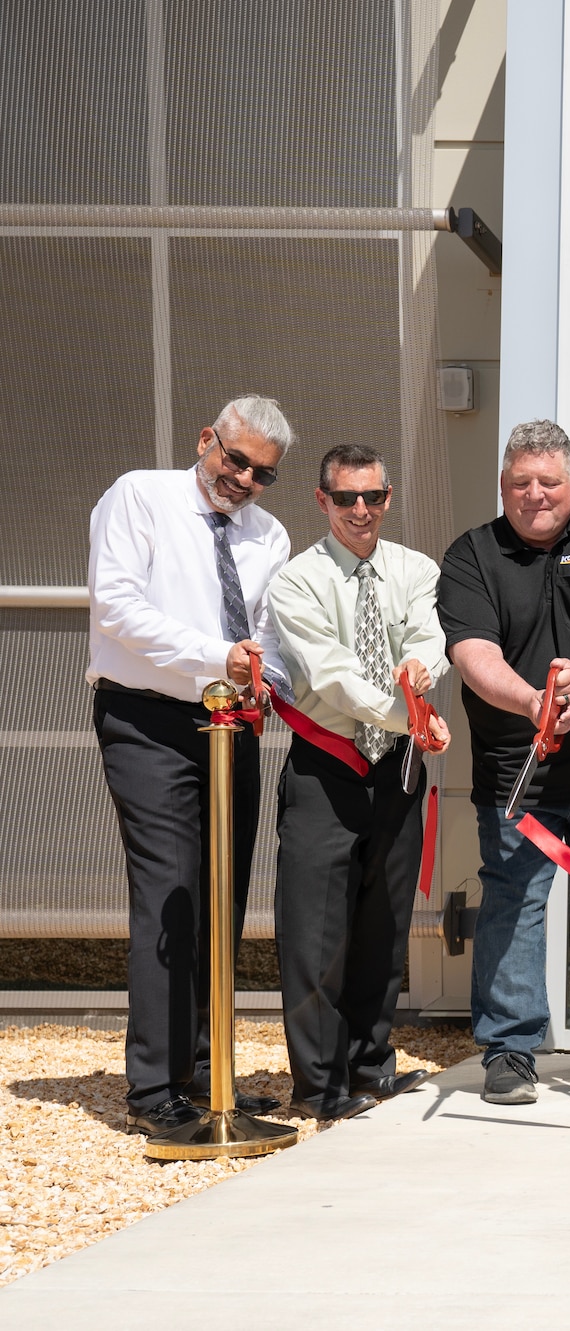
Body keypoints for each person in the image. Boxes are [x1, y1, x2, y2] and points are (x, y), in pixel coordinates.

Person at [88, 395, 295, 1135]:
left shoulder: (270, 535)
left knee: (222, 895)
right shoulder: (140, 495)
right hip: (147, 717)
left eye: (261, 473)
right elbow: (115, 608)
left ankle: (209, 1068)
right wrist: (220, 657)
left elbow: (266, 634)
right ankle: (154, 1088)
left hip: (230, 724)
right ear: (207, 438)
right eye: (233, 458)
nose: (241, 479)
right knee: (172, 892)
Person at [437, 420, 570, 1106]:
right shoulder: (472, 554)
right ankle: (510, 1047)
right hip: (518, 768)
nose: (534, 495)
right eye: (519, 483)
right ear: (503, 486)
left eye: (548, 482)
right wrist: (534, 699)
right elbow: (473, 656)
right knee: (514, 903)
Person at [270, 444, 452, 1121]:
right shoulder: (297, 581)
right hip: (327, 766)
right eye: (345, 497)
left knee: (384, 927)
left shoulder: (415, 568)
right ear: (322, 500)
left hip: (398, 768)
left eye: (372, 496)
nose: (360, 510)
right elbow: (331, 675)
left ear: (388, 495)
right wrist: (411, 711)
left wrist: (418, 673)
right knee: (316, 937)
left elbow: (428, 639)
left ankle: (371, 1066)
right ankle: (318, 1086)